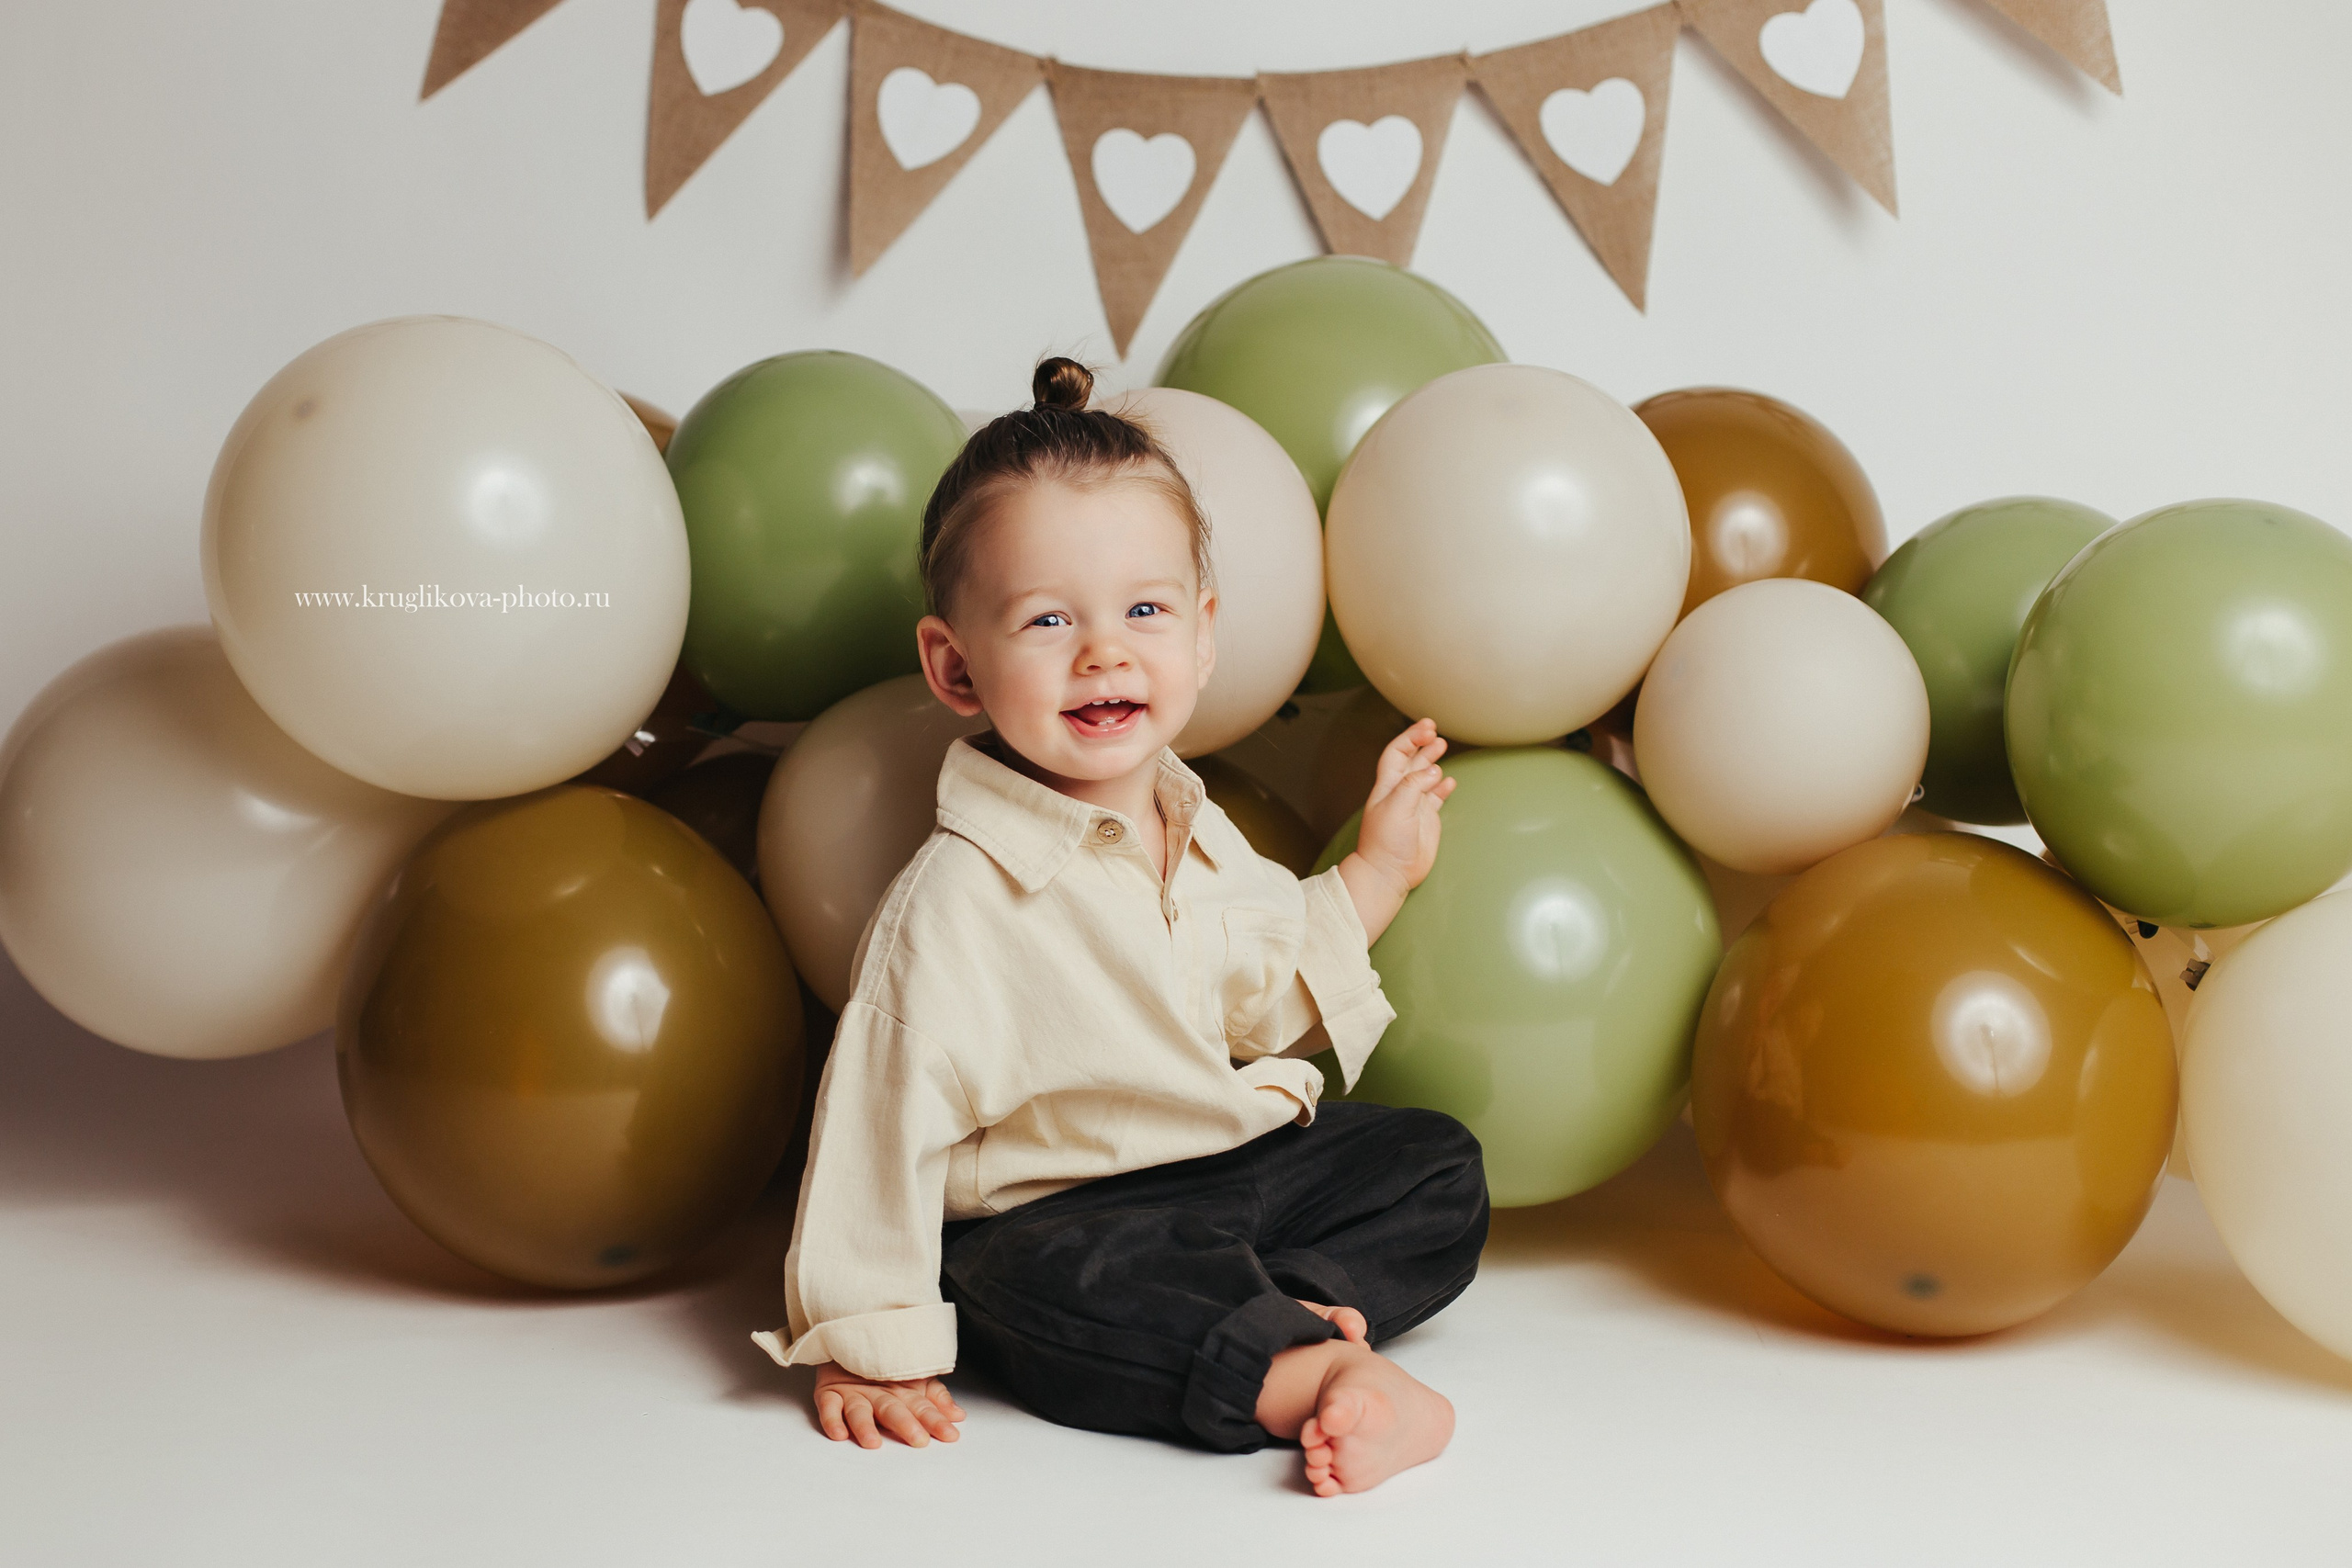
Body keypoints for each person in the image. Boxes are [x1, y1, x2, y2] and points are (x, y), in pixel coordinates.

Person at [752, 357, 1487, 1496]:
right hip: (1053, 1218)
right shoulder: (958, 897)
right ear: (955, 666)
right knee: (1074, 1289)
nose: (1103, 651)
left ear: (1200, 637)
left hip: (1221, 1166)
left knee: (1431, 1166)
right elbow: (878, 1126)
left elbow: (1271, 989)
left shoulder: (1195, 827)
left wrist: (1377, 868)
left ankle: (1279, 1302)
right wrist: (868, 1345)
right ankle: (1314, 1381)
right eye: (1048, 620)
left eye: (1144, 611)